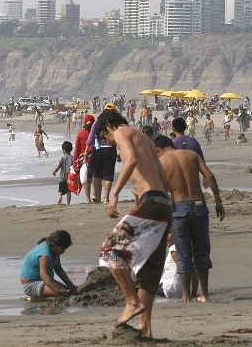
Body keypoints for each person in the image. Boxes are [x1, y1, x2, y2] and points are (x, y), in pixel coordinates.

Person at [95, 109, 171, 339]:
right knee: (150, 271)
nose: (109, 142)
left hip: (152, 203)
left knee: (110, 250)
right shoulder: (146, 138)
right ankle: (145, 329)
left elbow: (131, 160)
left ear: (107, 126)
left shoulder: (121, 132)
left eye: (105, 137)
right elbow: (164, 180)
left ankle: (131, 301)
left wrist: (114, 194)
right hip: (163, 203)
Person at [154, 135, 225, 303]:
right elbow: (209, 176)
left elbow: (162, 190)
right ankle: (204, 294)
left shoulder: (162, 162)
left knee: (183, 253)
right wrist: (218, 202)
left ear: (158, 150)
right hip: (199, 206)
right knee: (202, 251)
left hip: (179, 209)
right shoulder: (192, 155)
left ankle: (186, 296)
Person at [20, 230, 77, 302]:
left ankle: (43, 296)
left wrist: (70, 284)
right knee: (62, 295)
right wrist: (56, 290)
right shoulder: (45, 254)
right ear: (56, 245)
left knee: (67, 291)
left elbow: (58, 269)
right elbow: (43, 275)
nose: (63, 251)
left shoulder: (55, 252)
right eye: (63, 249)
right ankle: (35, 299)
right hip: (31, 284)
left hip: (43, 281)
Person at [73, 115, 95, 204]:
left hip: (84, 160)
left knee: (86, 180)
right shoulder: (97, 133)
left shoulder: (81, 133)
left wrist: (75, 163)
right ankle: (95, 196)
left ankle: (88, 199)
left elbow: (77, 150)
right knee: (93, 178)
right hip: (94, 158)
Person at [157, 231, 183, 299]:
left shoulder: (173, 248)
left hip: (168, 289)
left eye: (169, 232)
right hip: (172, 289)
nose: (166, 236)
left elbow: (184, 269)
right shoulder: (178, 248)